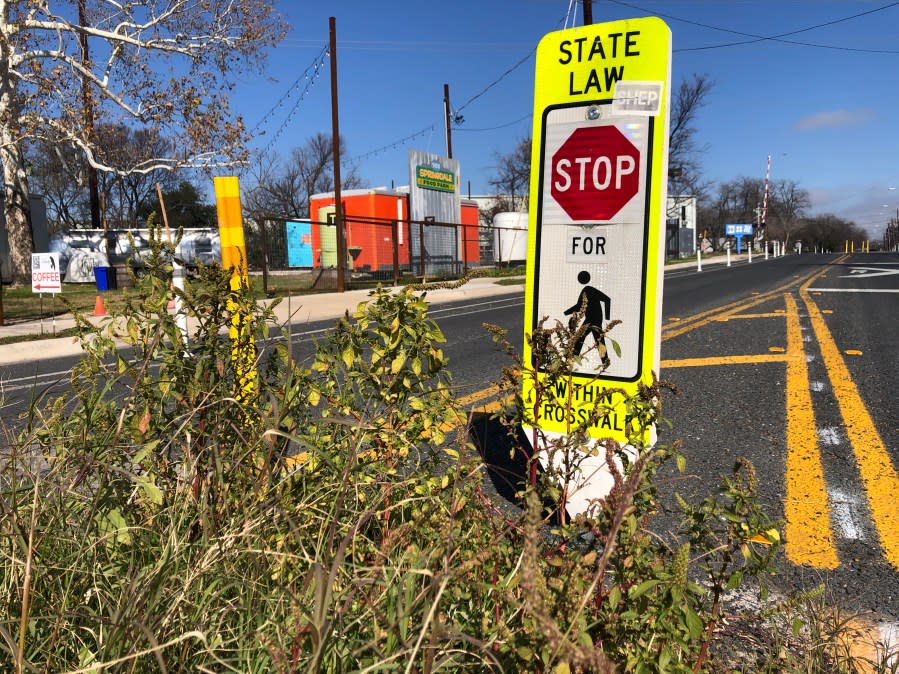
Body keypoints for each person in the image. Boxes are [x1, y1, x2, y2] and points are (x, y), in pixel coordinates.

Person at [564, 270, 612, 367]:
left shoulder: (588, 289)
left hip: (593, 319)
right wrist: (566, 312)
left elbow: (607, 299)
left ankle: (571, 360)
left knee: (580, 337)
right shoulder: (585, 290)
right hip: (592, 318)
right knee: (598, 340)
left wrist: (607, 318)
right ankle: (605, 362)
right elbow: (579, 306)